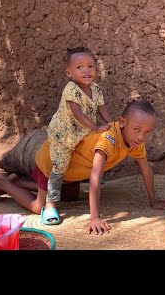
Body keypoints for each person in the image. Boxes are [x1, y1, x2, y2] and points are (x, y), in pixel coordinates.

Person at [0, 98, 165, 235]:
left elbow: (146, 169)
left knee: (71, 197)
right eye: (136, 129)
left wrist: (153, 201)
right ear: (122, 122)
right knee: (40, 208)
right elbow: (95, 178)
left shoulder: (135, 142)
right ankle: (2, 183)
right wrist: (94, 218)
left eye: (147, 132)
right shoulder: (108, 139)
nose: (141, 136)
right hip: (53, 163)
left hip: (70, 174)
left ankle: (18, 183)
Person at [44, 46, 113, 225]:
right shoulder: (71, 89)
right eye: (79, 67)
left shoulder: (96, 89)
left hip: (83, 132)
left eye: (90, 66)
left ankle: (92, 178)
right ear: (69, 72)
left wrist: (112, 124)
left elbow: (102, 109)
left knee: (93, 152)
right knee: (59, 168)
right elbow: (78, 115)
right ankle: (50, 204)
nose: (86, 70)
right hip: (63, 136)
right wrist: (97, 126)